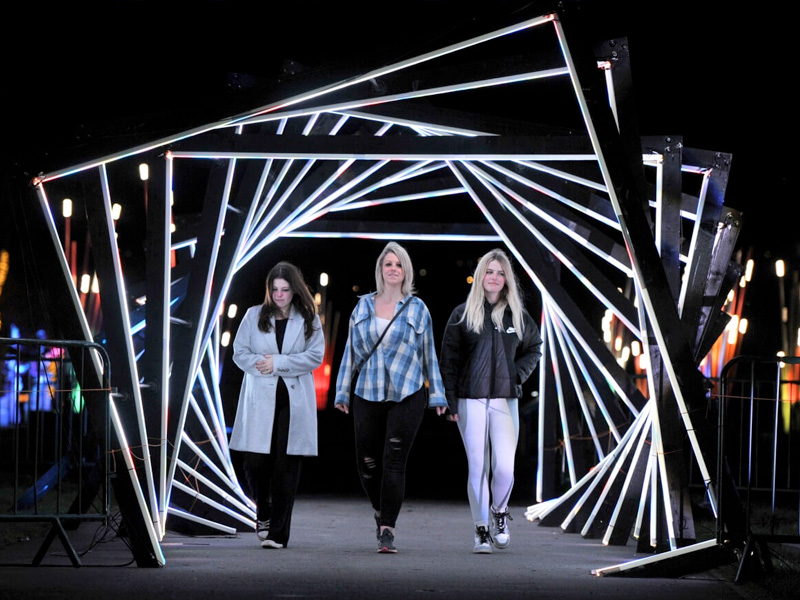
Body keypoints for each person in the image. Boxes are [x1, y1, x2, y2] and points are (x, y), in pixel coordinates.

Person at [334, 242, 448, 553]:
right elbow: (349, 352)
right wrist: (342, 391)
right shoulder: (362, 307)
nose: (393, 269)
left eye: (399, 264)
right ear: (380, 270)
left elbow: (428, 354)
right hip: (367, 391)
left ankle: (387, 529)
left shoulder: (417, 308)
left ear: (406, 270)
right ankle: (379, 509)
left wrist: (438, 395)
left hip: (408, 391)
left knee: (394, 460)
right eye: (388, 264)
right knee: (367, 463)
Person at [439, 249, 542, 554]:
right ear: (481, 275)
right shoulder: (462, 314)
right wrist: (450, 401)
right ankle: (481, 529)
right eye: (489, 271)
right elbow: (448, 361)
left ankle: (499, 513)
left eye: (500, 273)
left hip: (505, 399)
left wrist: (516, 375)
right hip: (470, 399)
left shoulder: (517, 316)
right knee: (478, 466)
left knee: (505, 467)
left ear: (506, 279)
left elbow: (534, 347)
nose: (494, 277)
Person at [229, 262, 325, 549]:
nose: (280, 295)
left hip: (294, 402)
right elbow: (239, 352)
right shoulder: (253, 315)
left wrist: (278, 363)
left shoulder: (308, 318)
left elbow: (315, 356)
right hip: (260, 397)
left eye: (285, 289)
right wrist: (263, 365)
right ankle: (264, 510)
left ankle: (278, 534)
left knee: (286, 466)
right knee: (255, 462)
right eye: (275, 290)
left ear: (294, 290)